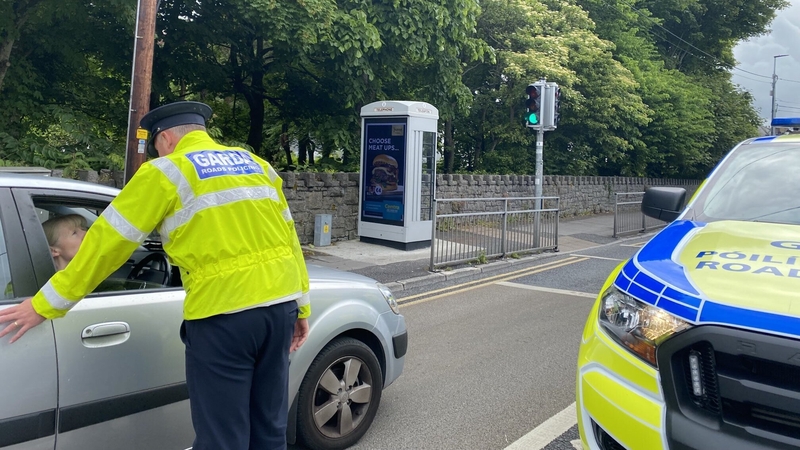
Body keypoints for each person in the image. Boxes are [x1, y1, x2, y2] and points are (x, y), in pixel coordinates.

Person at [0, 101, 311, 450]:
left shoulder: (165, 172)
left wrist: (44, 304)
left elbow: (105, 245)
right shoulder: (257, 165)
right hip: (280, 308)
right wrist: (301, 307)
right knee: (269, 430)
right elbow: (290, 239)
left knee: (223, 439)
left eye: (156, 147)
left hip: (223, 315)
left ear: (165, 139)